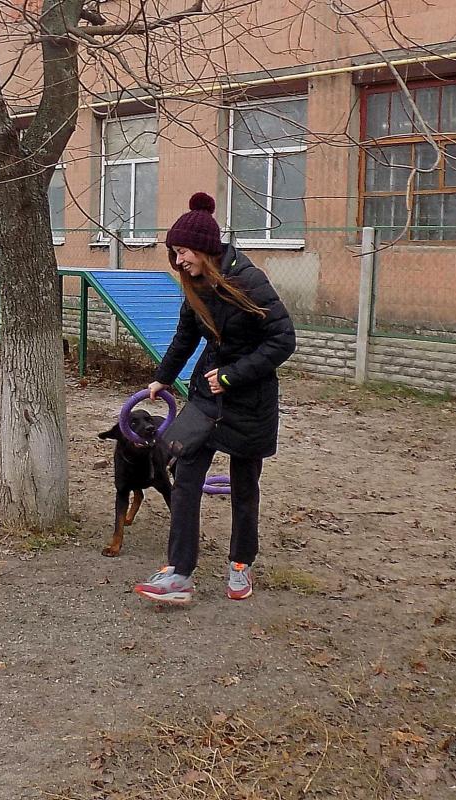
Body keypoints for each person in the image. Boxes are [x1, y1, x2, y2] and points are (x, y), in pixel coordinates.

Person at [134, 192, 296, 605]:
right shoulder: (195, 285)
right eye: (174, 253)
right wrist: (162, 379)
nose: (178, 261)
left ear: (205, 249)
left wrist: (232, 375)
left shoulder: (249, 281)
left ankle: (241, 563)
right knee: (186, 477)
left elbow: (283, 339)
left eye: (183, 252)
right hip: (207, 398)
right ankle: (179, 572)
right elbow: (186, 336)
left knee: (244, 486)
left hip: (250, 399)